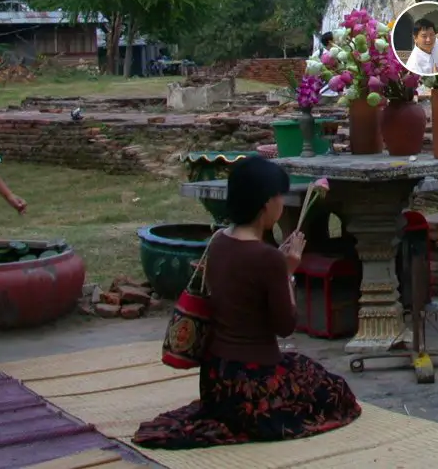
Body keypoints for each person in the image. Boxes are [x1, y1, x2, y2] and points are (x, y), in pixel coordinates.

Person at [133, 157, 361, 449]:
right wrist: (288, 272)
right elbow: (285, 325)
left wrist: (278, 267)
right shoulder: (268, 259)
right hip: (254, 384)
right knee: (334, 390)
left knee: (301, 367)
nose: (282, 203)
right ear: (266, 203)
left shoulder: (218, 241)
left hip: (216, 381)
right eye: (280, 196)